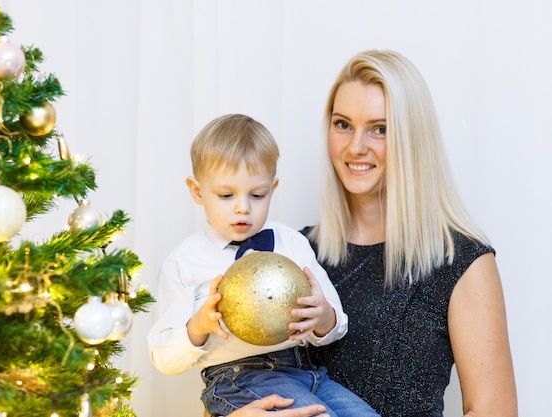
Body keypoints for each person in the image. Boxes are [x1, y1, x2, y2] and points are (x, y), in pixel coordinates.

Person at [294, 49, 518, 417]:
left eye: (380, 129)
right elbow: (233, 380)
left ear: (412, 137)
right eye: (343, 124)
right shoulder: (297, 252)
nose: (355, 147)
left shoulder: (461, 261)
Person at [147, 114, 379, 416]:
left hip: (306, 372)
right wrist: (199, 326)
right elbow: (163, 357)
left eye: (257, 194)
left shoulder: (291, 243)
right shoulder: (184, 262)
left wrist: (322, 317)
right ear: (197, 190)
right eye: (226, 195)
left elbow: (336, 325)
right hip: (236, 379)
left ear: (273, 187)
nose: (243, 207)